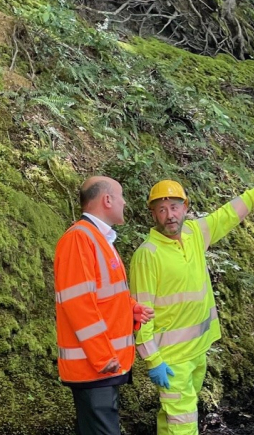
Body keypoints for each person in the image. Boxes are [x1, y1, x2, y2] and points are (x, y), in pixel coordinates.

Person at [130, 157, 254, 434]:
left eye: (174, 207)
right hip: (171, 361)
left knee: (171, 421)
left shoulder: (195, 233)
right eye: (161, 209)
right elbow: (139, 312)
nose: (170, 215)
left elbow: (228, 214)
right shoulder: (148, 255)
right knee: (183, 425)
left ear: (185, 207)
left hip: (198, 352)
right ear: (153, 215)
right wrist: (153, 360)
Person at [54, 176, 155, 435]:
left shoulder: (99, 239)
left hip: (101, 366)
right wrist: (102, 356)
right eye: (121, 196)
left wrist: (130, 308)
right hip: (95, 366)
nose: (124, 202)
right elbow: (78, 304)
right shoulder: (80, 239)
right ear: (107, 200)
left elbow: (103, 296)